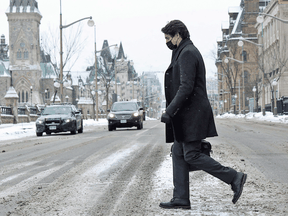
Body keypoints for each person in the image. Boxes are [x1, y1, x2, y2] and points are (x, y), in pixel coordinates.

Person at [159, 20, 247, 209]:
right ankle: (181, 197)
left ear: (177, 35)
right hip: (187, 114)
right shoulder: (182, 51)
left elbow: (186, 87)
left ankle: (234, 177)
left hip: (192, 114)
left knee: (191, 154)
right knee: (178, 151)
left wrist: (170, 110)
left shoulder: (188, 53)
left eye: (168, 38)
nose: (166, 42)